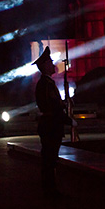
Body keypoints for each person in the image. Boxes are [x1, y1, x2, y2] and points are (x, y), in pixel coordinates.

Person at [32, 46, 77, 197]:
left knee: (50, 159)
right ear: (45, 66)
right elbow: (52, 107)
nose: (53, 64)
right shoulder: (46, 84)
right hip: (51, 126)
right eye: (50, 62)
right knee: (49, 160)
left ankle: (50, 188)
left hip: (50, 125)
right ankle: (50, 190)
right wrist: (68, 121)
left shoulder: (46, 83)